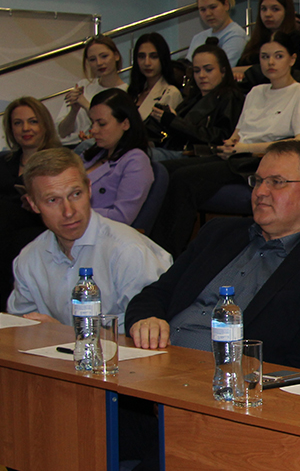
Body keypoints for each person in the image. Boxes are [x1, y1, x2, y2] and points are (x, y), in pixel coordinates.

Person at [125, 140, 300, 471]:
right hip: (148, 389)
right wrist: (146, 319)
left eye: (277, 182)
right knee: (56, 436)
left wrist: (199, 390)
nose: (261, 192)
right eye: (257, 181)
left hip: (224, 414)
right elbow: (155, 295)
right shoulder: (218, 234)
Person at [151, 31, 300, 257]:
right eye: (265, 57)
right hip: (237, 155)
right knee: (164, 170)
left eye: (278, 56)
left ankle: (165, 254)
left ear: (292, 59)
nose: (270, 62)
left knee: (184, 179)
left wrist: (244, 148)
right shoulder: (255, 92)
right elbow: (238, 133)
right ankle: (150, 245)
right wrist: (230, 145)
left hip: (261, 162)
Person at [7, 147, 171, 328]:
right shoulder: (29, 259)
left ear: (89, 189)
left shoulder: (128, 251)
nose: (68, 212)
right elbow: (18, 327)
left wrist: (62, 334)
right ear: (33, 204)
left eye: (76, 194)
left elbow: (150, 329)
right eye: (53, 200)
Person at [0, 97, 61, 303]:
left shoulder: (58, 161)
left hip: (39, 225)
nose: (25, 128)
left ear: (44, 125)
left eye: (33, 121)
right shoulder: (3, 161)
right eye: (18, 123)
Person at [82, 88, 154, 225]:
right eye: (92, 123)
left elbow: (122, 217)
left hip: (97, 231)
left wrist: (75, 213)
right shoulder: (94, 153)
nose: (93, 130)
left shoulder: (136, 161)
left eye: (101, 124)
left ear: (125, 124)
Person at [55, 35, 128, 146]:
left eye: (104, 56)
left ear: (116, 56)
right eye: (92, 59)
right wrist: (73, 111)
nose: (99, 63)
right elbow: (62, 132)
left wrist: (85, 104)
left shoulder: (126, 92)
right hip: (69, 146)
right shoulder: (83, 86)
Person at [235, 0, 300, 84]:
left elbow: (290, 71)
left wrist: (247, 71)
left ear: (287, 12)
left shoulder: (295, 39)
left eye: (275, 9)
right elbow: (238, 68)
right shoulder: (257, 39)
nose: (268, 14)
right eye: (264, 9)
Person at [127, 32, 183, 122]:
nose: (147, 63)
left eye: (154, 57)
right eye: (141, 56)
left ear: (163, 58)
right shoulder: (134, 91)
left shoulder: (171, 93)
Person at [185, 0, 246, 64]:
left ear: (226, 5)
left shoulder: (236, 35)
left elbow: (225, 68)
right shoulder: (198, 38)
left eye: (213, 7)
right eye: (203, 9)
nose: (208, 14)